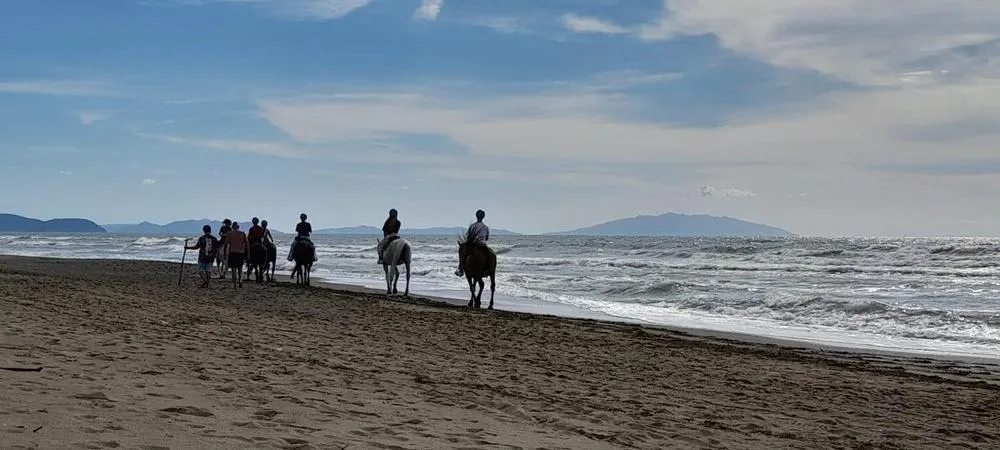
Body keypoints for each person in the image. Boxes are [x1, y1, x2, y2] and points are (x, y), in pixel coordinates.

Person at [456, 209, 491, 277]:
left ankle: (460, 269)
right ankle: (489, 269)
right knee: (490, 255)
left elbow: (467, 236)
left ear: (476, 216)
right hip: (482, 245)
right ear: (483, 217)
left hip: (473, 246)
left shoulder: (472, 226)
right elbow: (486, 238)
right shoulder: (485, 227)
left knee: (462, 255)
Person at [226, 222, 249, 287]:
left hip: (233, 252)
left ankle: (235, 284)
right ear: (238, 227)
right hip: (241, 253)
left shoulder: (229, 234)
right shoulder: (243, 233)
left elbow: (225, 244)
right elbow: (247, 244)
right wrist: (248, 254)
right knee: (240, 268)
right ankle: (240, 280)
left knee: (233, 269)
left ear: (232, 227)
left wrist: (225, 253)